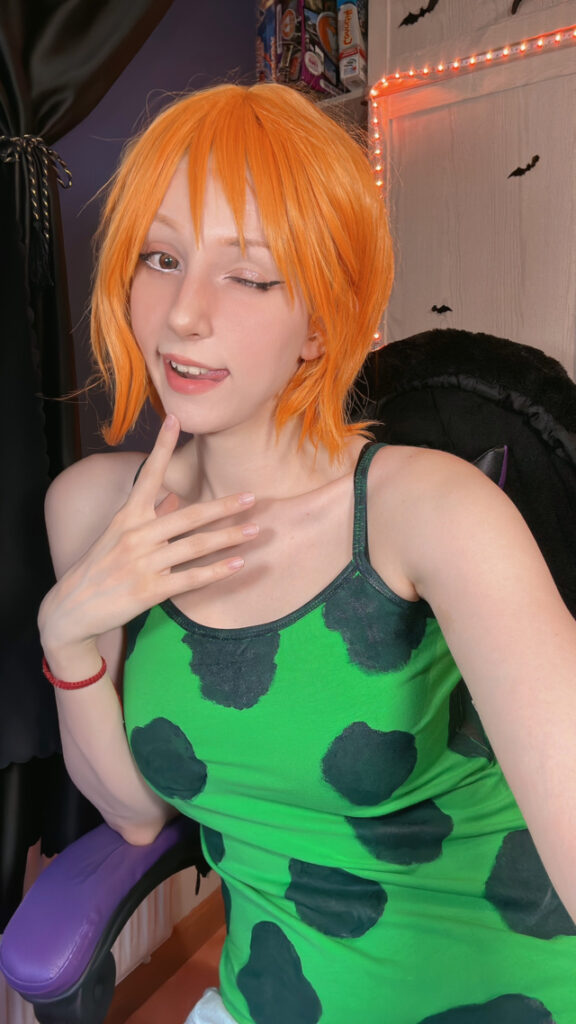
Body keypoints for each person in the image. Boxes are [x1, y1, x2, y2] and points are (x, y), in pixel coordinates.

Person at [38, 83, 576, 1024]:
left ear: (322, 322)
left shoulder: (433, 511)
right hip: (272, 1003)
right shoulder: (95, 510)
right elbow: (135, 814)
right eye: (161, 258)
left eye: (248, 276)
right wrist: (67, 634)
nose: (183, 315)